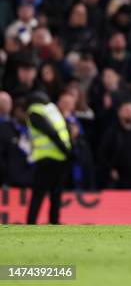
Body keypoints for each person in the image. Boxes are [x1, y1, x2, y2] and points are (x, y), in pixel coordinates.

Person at [26, 91, 72, 224]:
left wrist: (64, 150)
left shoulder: (34, 112)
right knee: (56, 193)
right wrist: (67, 151)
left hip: (46, 157)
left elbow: (50, 132)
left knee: (39, 193)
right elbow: (62, 129)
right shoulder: (53, 110)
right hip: (61, 156)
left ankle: (31, 222)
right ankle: (54, 221)